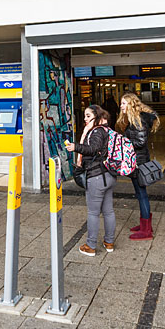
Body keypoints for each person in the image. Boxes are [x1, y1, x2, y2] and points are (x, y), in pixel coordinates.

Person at [65, 105, 116, 256]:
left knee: (93, 213)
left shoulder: (97, 131)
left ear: (96, 117)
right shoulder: (107, 130)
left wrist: (76, 147)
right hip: (109, 175)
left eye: (88, 116)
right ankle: (109, 242)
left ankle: (91, 246)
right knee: (108, 211)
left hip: (97, 177)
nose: (85, 119)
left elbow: (93, 148)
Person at [116, 93, 160, 241]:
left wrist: (123, 143)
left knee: (142, 195)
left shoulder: (138, 120)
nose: (121, 106)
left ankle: (146, 230)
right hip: (137, 161)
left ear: (131, 104)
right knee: (140, 193)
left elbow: (140, 142)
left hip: (138, 163)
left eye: (123, 103)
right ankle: (144, 224)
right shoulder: (135, 119)